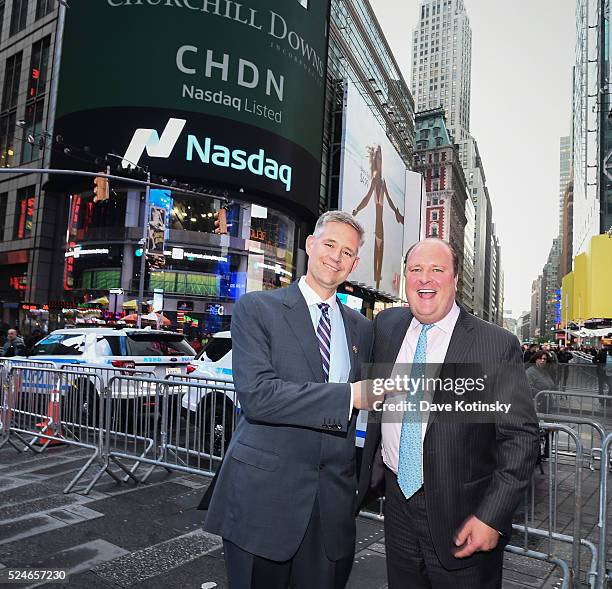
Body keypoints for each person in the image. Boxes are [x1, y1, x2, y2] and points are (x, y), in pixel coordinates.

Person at [203, 211, 373, 589]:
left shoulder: (362, 327)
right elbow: (258, 397)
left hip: (332, 507)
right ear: (311, 245)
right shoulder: (256, 308)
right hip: (264, 500)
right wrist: (349, 396)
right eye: (329, 244)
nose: (336, 256)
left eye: (347, 252)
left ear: (355, 263)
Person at [357, 238, 539, 589]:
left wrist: (492, 516)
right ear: (404, 279)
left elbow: (520, 439)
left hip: (464, 514)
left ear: (455, 280)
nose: (426, 279)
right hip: (397, 500)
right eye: (416, 270)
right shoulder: (387, 328)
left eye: (437, 270)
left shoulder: (493, 345)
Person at [351, 144, 404, 290]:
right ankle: (376, 280)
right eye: (378, 158)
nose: (380, 162)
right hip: (376, 225)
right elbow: (367, 199)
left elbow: (391, 202)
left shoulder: (383, 182)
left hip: (382, 226)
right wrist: (356, 209)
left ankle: (377, 281)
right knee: (377, 251)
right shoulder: (375, 181)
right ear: (375, 161)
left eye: (381, 159)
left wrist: (398, 214)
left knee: (380, 252)